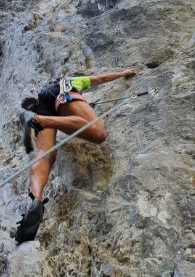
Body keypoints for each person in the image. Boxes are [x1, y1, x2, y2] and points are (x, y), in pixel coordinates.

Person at [13, 69, 135, 244]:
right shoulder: (72, 81)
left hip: (42, 106)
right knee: (98, 132)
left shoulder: (41, 94)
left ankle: (36, 199)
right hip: (62, 90)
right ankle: (40, 120)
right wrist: (123, 73)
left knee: (43, 156)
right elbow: (100, 78)